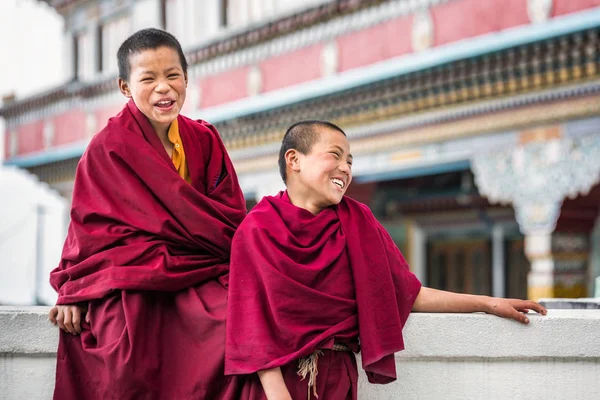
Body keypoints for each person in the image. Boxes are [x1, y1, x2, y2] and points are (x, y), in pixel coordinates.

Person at [224, 120, 547, 400]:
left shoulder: (356, 221)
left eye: (350, 160)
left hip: (339, 375)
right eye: (335, 155)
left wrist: (488, 304)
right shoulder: (258, 228)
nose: (346, 168)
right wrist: (278, 393)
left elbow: (404, 292)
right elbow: (250, 323)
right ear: (294, 159)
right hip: (280, 381)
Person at [48, 28, 247, 399]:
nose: (163, 88)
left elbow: (229, 217)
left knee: (233, 325)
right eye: (148, 78)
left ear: (186, 78)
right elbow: (89, 229)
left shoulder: (204, 139)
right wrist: (74, 288)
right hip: (134, 271)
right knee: (125, 356)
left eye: (172, 76)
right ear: (125, 87)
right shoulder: (107, 148)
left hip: (197, 266)